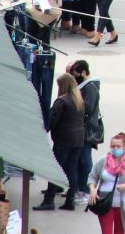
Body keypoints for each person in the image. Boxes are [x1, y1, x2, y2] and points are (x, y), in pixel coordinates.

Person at [38, 73, 86, 210]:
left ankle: (49, 200)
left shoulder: (61, 101)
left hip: (63, 139)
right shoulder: (79, 100)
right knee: (72, 170)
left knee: (55, 170)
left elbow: (52, 120)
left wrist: (45, 129)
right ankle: (70, 200)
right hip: (78, 140)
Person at [87, 133, 125, 234]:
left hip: (122, 205)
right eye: (113, 146)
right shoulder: (103, 161)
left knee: (120, 232)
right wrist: (92, 190)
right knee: (106, 232)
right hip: (105, 203)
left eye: (118, 146)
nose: (115, 149)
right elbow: (92, 177)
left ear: (124, 146)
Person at [69, 60, 103, 207]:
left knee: (84, 159)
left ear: (83, 72)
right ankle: (80, 188)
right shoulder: (86, 86)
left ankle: (86, 189)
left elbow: (87, 108)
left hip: (87, 130)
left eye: (76, 74)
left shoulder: (89, 88)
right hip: (82, 129)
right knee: (80, 160)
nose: (74, 77)